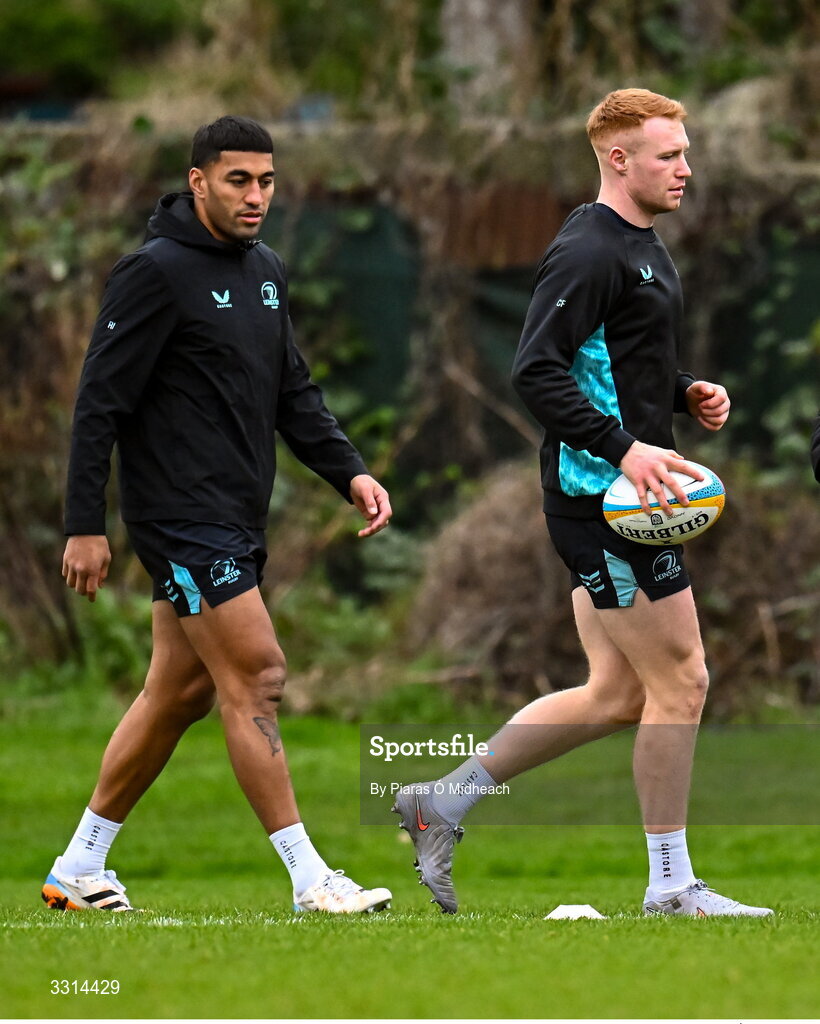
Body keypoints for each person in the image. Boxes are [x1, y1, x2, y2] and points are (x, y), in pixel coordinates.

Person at [393, 89, 773, 918]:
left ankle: (440, 803)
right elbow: (537, 369)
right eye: (669, 154)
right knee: (684, 680)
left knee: (615, 694)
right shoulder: (589, 249)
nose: (686, 167)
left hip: (618, 489)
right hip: (604, 502)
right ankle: (671, 886)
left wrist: (682, 393)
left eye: (684, 151)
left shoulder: (641, 245)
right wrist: (628, 450)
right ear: (618, 158)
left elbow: (614, 362)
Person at [43, 116, 393, 915]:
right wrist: (84, 523)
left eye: (267, 181)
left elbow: (291, 392)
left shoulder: (264, 269)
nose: (257, 196)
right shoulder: (152, 273)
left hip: (238, 514)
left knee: (179, 693)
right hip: (181, 520)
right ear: (197, 181)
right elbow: (99, 402)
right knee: (258, 675)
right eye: (239, 180)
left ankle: (78, 865)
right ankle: (310, 879)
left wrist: (351, 472)